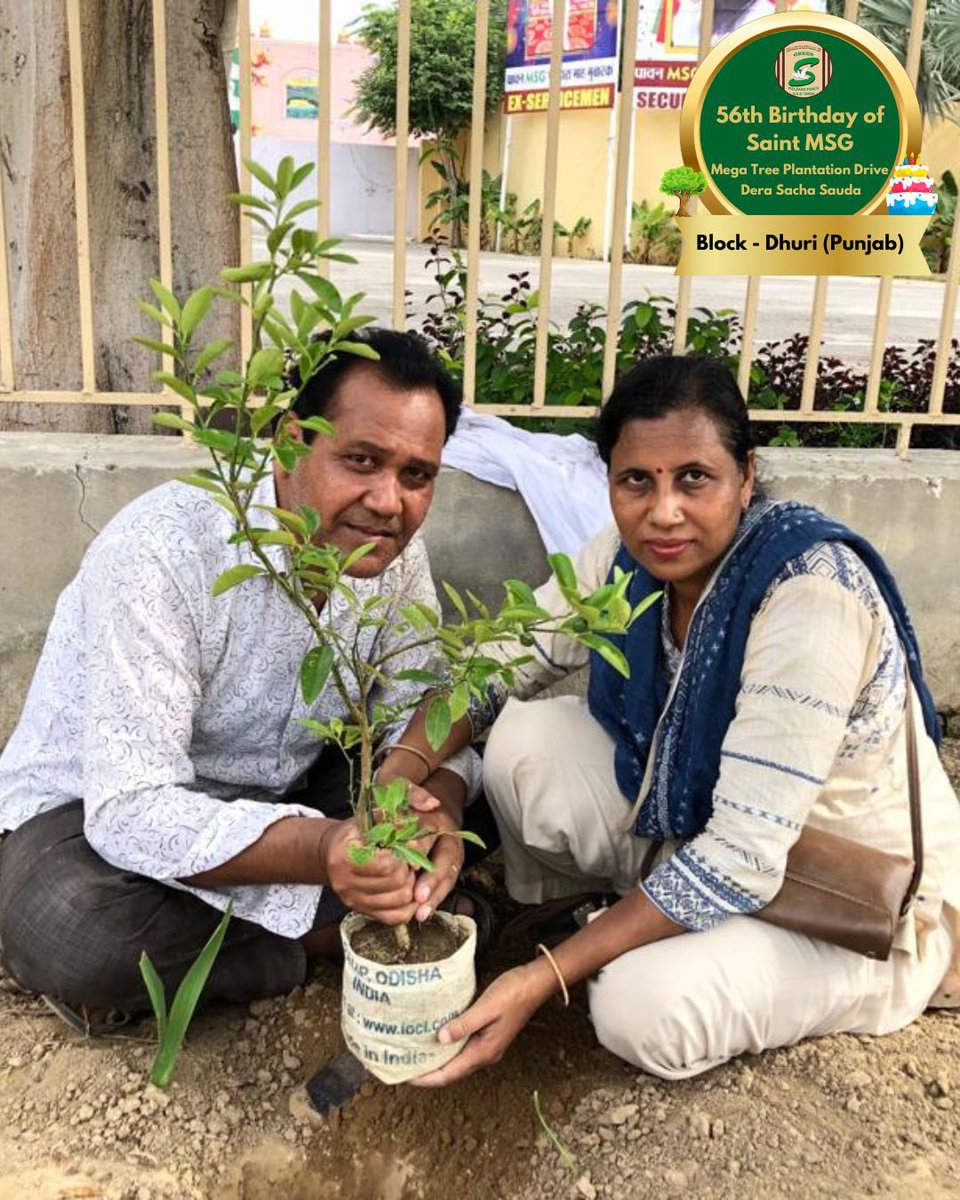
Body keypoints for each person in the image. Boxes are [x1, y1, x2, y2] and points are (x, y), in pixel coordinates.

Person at [384, 354, 960, 1086]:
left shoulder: (810, 597)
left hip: (846, 894)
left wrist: (542, 980)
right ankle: (583, 920)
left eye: (694, 477)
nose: (663, 511)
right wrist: (396, 776)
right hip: (700, 826)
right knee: (526, 739)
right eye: (636, 481)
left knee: (639, 1006)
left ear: (745, 476)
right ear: (611, 482)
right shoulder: (626, 564)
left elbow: (744, 856)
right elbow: (496, 669)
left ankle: (921, 968)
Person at [0, 327, 480, 1024]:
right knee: (68, 924)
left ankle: (310, 928)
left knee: (467, 802)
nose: (388, 500)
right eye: (362, 460)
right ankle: (320, 938)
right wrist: (326, 850)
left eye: (416, 476)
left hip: (279, 790)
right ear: (291, 442)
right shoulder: (165, 549)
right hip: (92, 815)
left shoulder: (394, 557)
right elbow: (130, 810)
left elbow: (424, 710)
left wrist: (438, 814)